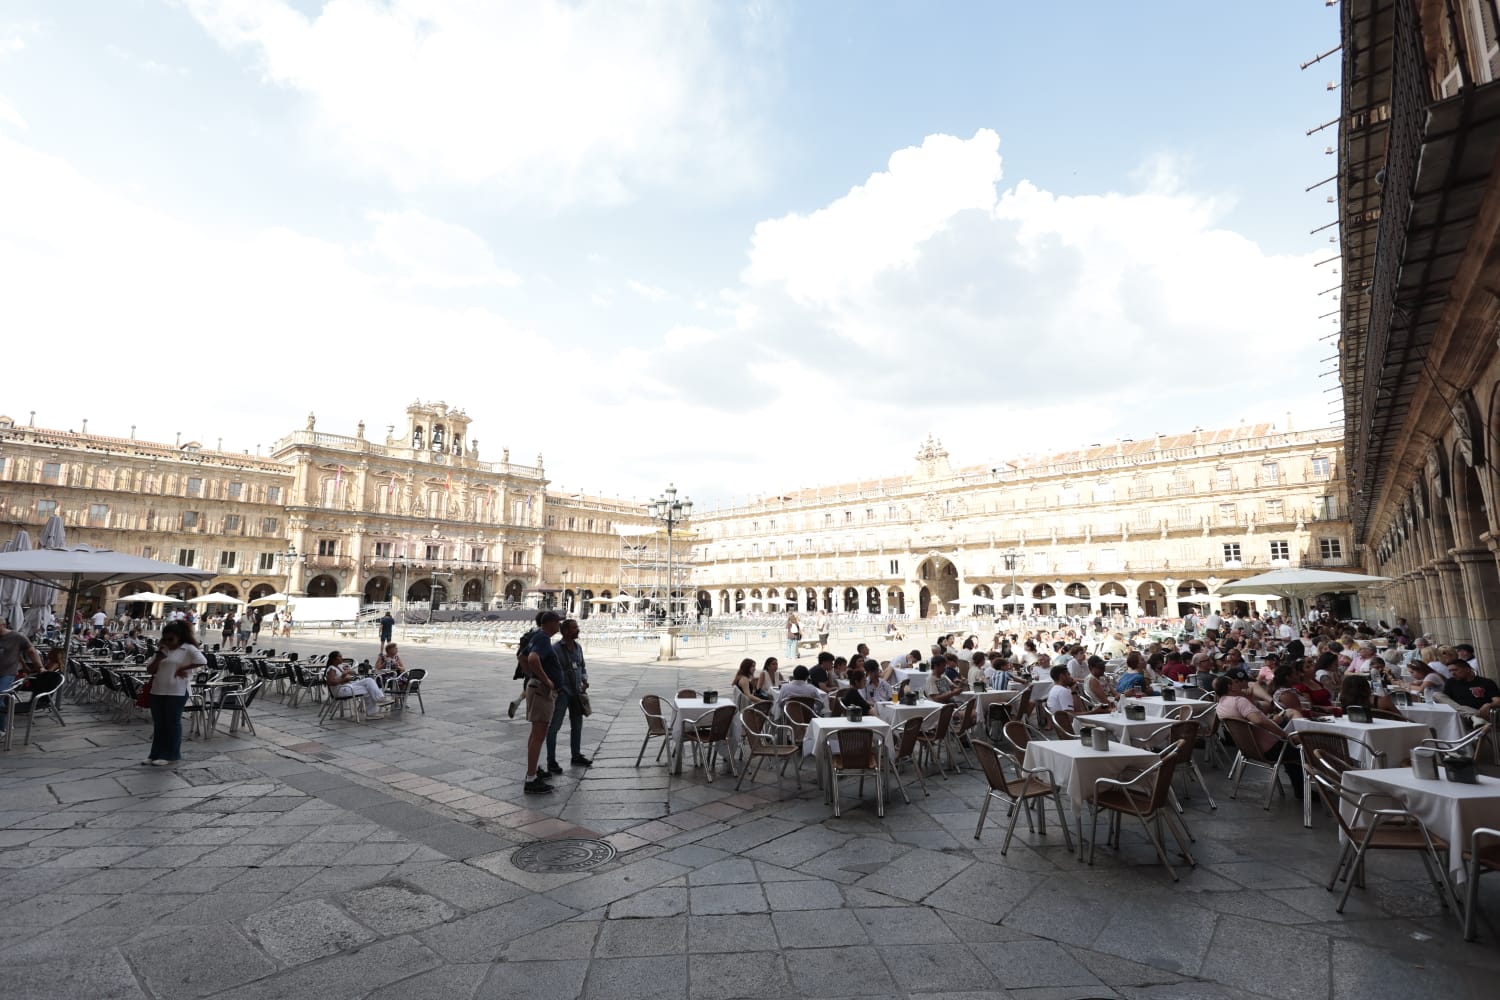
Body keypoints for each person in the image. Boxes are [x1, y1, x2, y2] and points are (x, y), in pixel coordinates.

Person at [1214, 668, 1303, 798]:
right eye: (1235, 682)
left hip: (1250, 748)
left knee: (1289, 720)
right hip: (1271, 748)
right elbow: (1258, 721)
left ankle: (1300, 788)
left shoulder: (1220, 705)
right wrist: (1284, 735)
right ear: (1230, 687)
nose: (1240, 684)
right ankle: (1305, 788)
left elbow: (1253, 721)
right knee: (1303, 746)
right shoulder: (1239, 701)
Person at [143, 620, 207, 766]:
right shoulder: (162, 650)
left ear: (179, 637)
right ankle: (154, 754)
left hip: (177, 691)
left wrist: (184, 668)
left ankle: (171, 754)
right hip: (158, 689)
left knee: (172, 723)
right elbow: (150, 670)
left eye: (171, 639)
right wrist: (159, 657)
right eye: (164, 639)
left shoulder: (188, 648)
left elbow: (203, 661)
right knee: (159, 724)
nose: (167, 642)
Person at [520, 611, 564, 794]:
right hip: (541, 692)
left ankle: (533, 772)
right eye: (558, 622)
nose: (559, 626)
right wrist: (546, 680)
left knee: (535, 736)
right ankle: (531, 779)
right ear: (552, 623)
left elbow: (522, 657)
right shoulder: (544, 638)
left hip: (535, 688)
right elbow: (531, 658)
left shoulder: (535, 636)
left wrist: (531, 676)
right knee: (539, 736)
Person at [545, 618, 592, 773]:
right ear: (565, 631)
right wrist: (557, 687)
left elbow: (582, 666)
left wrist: (584, 680)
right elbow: (549, 669)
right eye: (574, 628)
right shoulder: (555, 649)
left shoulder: (578, 647)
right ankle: (551, 761)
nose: (577, 630)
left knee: (577, 726)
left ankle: (576, 755)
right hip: (563, 693)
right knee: (554, 727)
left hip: (577, 693)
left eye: (577, 627)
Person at [0, 617, 43, 737]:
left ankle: (2, 728)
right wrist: (23, 664)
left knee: (1, 696)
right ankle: (7, 722)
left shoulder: (17, 637)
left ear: (3, 625)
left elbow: (31, 652)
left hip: (7, 673)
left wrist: (39, 667)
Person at [324, 650, 388, 717]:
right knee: (369, 689)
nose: (342, 658)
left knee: (369, 680)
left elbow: (353, 673)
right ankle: (373, 710)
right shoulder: (331, 669)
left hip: (346, 686)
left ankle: (379, 699)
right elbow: (330, 682)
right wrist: (343, 680)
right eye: (340, 656)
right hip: (341, 690)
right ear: (334, 659)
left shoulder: (338, 667)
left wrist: (347, 671)